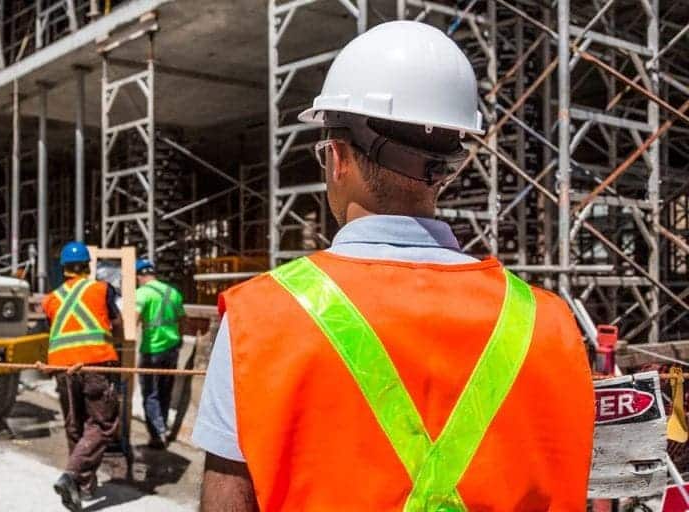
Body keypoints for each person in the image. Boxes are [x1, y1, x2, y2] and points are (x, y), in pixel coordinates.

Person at [193, 20, 594, 511]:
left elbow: (227, 500)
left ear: (337, 158)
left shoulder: (258, 320)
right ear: (444, 169)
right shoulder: (549, 323)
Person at [42, 241, 125, 512]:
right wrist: (119, 350)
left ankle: (82, 488)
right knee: (103, 425)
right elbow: (117, 323)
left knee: (75, 425)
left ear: (63, 268)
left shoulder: (51, 299)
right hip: (95, 363)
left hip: (63, 369)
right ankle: (71, 476)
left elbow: (54, 331)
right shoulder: (101, 289)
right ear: (88, 266)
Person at [134, 258, 185, 449]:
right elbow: (183, 320)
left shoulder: (142, 294)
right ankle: (162, 427)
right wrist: (177, 340)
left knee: (150, 393)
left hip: (151, 350)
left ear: (140, 276)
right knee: (165, 391)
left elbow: (134, 320)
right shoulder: (173, 293)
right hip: (172, 349)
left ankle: (158, 434)